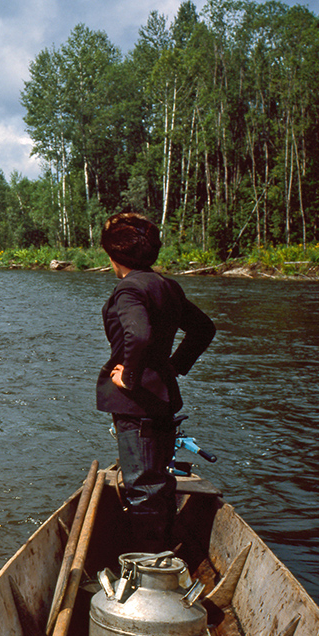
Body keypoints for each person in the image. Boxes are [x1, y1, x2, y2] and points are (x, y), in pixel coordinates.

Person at [97, 213, 215, 552]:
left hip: (139, 404)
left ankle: (151, 565)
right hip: (161, 399)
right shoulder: (166, 286)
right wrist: (173, 366)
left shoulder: (129, 288)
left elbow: (139, 334)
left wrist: (129, 378)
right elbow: (204, 329)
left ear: (113, 256)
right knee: (158, 482)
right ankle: (163, 551)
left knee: (142, 486)